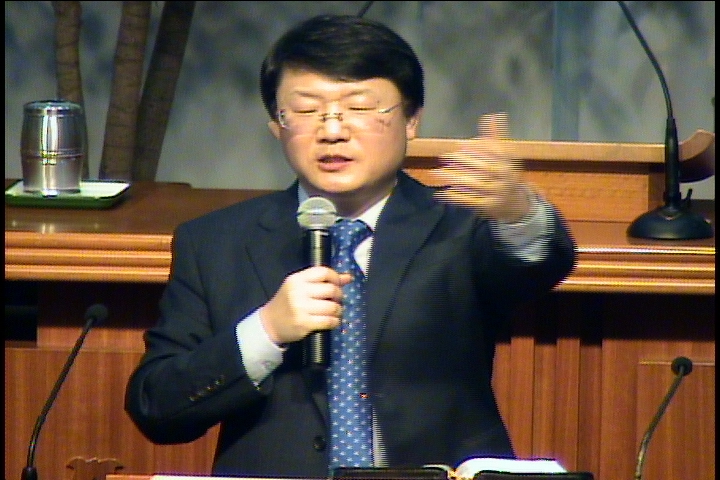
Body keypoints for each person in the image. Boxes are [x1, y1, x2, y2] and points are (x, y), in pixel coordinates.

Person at [124, 13, 577, 478]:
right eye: (306, 110)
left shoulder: (461, 227)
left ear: (411, 120)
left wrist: (517, 210)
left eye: (359, 107)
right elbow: (157, 407)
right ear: (277, 126)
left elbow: (541, 263)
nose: (332, 131)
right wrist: (266, 331)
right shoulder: (214, 242)